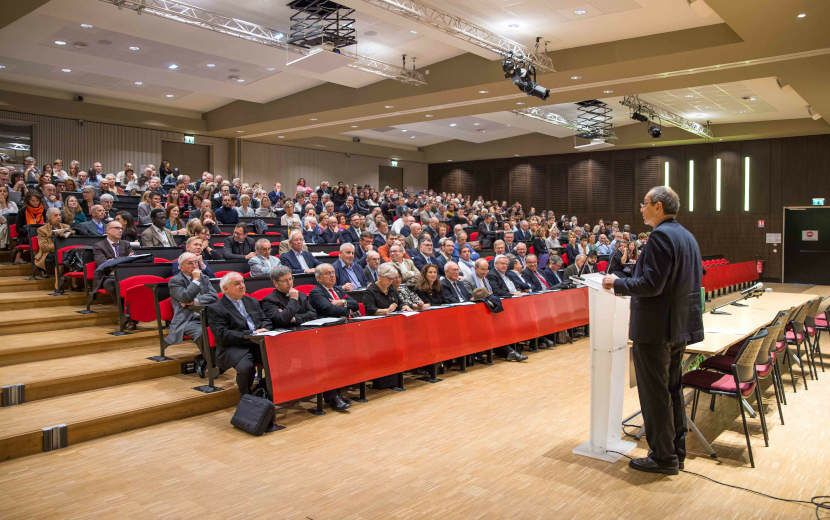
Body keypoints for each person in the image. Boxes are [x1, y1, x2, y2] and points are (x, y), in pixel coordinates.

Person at [602, 186, 703, 475]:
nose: (641, 208)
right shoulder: (687, 237)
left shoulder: (660, 237)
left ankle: (663, 458)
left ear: (659, 206)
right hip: (678, 326)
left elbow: (651, 285)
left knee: (655, 395)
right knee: (671, 391)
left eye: (645, 204)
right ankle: (676, 453)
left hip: (656, 330)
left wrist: (616, 283)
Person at [207, 273, 270, 395]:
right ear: (225, 289)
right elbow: (222, 334)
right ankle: (245, 396)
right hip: (233, 346)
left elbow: (265, 320)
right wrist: (251, 334)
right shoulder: (216, 308)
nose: (242, 286)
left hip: (258, 342)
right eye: (237, 284)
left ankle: (265, 388)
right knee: (246, 367)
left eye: (242, 282)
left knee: (280, 358)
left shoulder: (251, 301)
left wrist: (265, 329)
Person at [165, 252, 219, 346]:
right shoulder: (175, 281)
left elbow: (214, 296)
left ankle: (218, 357)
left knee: (226, 329)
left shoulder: (204, 278)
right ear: (181, 266)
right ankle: (208, 360)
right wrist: (195, 280)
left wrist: (196, 301)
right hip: (187, 319)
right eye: (190, 263)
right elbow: (186, 298)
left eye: (196, 262)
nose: (194, 266)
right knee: (202, 334)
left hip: (207, 316)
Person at [92, 220, 133, 297]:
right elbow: (103, 264)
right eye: (117, 228)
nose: (120, 230)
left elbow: (133, 260)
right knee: (110, 283)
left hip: (125, 273)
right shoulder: (99, 246)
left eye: (121, 228)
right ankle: (122, 306)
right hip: (108, 275)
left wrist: (114, 261)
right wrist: (125, 258)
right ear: (108, 231)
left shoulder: (126, 244)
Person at [35, 208, 73, 285]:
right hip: (47, 255)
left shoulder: (66, 227)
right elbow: (44, 247)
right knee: (62, 257)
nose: (59, 217)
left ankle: (73, 283)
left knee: (74, 256)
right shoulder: (42, 230)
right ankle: (58, 284)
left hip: (64, 253)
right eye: (56, 215)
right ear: (49, 217)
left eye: (60, 215)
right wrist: (59, 245)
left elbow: (72, 239)